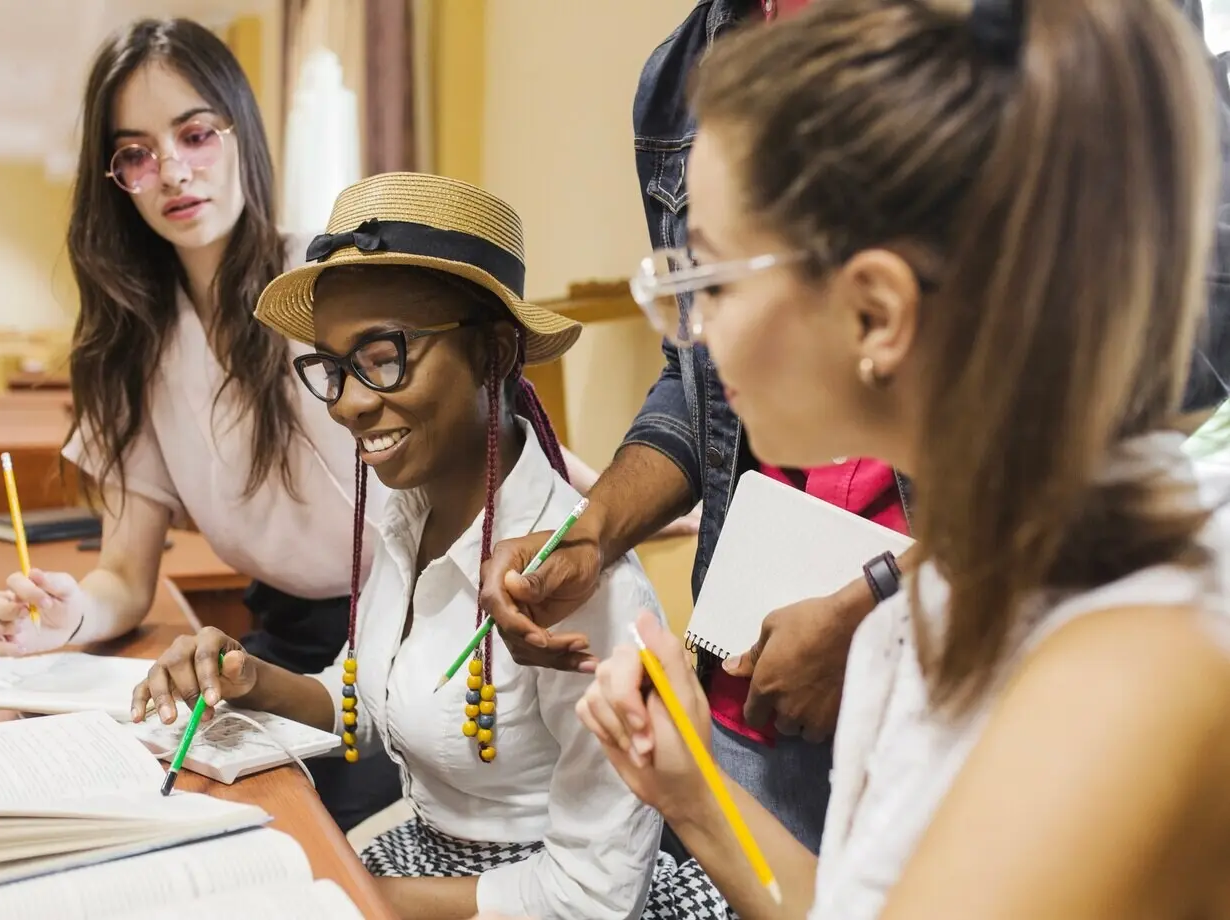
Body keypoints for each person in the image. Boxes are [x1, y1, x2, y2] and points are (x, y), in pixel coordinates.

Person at [480, 0, 1230, 854]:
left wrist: (876, 598)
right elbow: (698, 388)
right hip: (775, 656)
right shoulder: (685, 66)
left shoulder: (1107, 678)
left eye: (714, 282)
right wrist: (594, 535)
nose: (697, 327)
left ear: (877, 312)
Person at [130, 173, 725, 920]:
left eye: (384, 356)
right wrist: (248, 679)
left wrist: (355, 893)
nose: (347, 403)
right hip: (427, 859)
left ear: (496, 354)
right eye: (332, 368)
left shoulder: (578, 589)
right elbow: (370, 701)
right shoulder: (407, 515)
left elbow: (592, 898)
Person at [0, 17, 405, 833]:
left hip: (417, 632)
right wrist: (68, 616)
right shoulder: (129, 343)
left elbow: (484, 465)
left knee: (300, 828)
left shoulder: (327, 281)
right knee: (167, 795)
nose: (172, 171)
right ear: (115, 180)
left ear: (241, 135)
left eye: (195, 135)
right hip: (285, 637)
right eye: (136, 154)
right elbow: (124, 576)